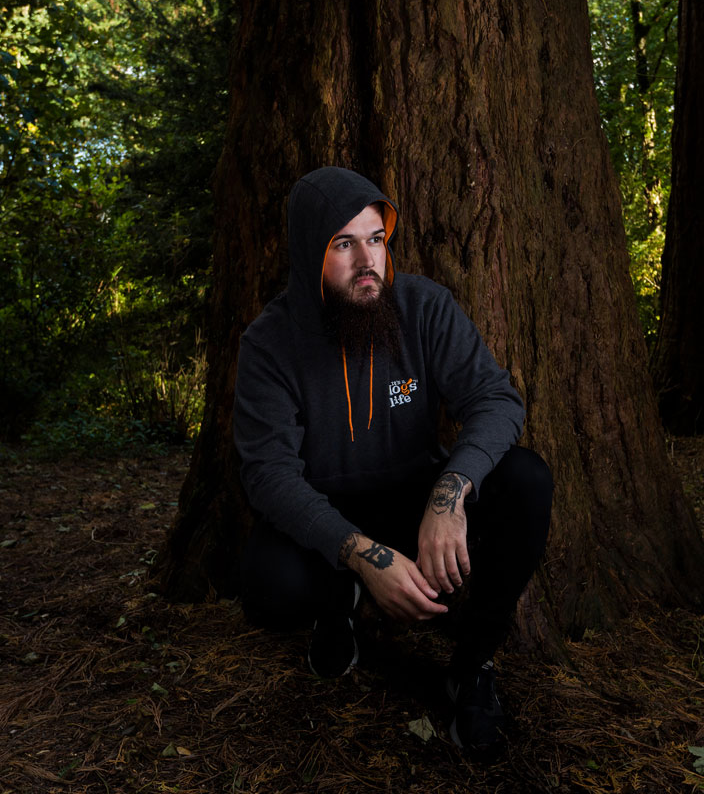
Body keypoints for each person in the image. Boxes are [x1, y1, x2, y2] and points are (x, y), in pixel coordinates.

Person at [233, 166, 552, 754]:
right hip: (328, 512)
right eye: (344, 243)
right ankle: (341, 603)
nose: (368, 261)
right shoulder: (269, 343)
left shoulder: (423, 307)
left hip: (415, 496)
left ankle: (472, 666)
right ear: (311, 252)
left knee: (527, 478)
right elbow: (269, 475)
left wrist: (450, 493)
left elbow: (495, 399)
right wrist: (362, 556)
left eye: (376, 239)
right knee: (264, 578)